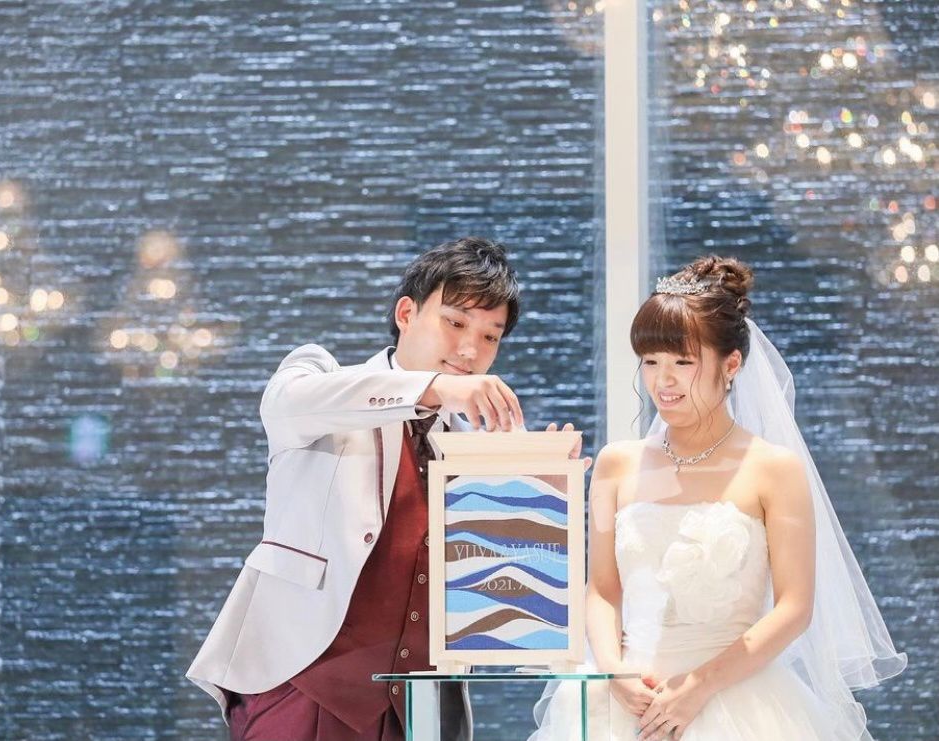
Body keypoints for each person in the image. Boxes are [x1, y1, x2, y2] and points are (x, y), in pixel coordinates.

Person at [187, 236, 589, 741]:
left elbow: (495, 587)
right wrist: (434, 388)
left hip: (424, 705)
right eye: (456, 323)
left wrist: (541, 490)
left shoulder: (473, 444)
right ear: (406, 313)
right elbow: (286, 403)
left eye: (491, 336)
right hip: (306, 680)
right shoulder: (323, 380)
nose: (470, 350)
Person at [530, 256, 905, 741]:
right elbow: (602, 589)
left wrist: (698, 686)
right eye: (651, 361)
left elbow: (794, 608)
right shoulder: (614, 464)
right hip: (624, 700)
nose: (663, 381)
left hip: (737, 701)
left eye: (683, 362)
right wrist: (613, 671)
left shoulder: (774, 469)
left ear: (731, 365)